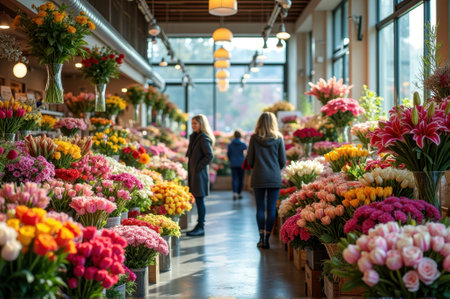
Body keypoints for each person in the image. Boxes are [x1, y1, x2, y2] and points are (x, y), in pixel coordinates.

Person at [247, 112, 286, 249]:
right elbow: (283, 161)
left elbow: (250, 160)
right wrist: (274, 169)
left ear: (259, 123)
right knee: (271, 209)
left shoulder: (254, 138)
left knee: (260, 208)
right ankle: (267, 238)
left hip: (258, 177)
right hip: (274, 178)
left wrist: (258, 167)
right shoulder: (279, 139)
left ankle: (261, 237)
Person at [186, 114, 215, 237]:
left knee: (200, 200)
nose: (193, 126)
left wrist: (198, 167)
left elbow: (209, 155)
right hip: (195, 173)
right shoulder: (196, 137)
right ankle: (199, 226)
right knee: (198, 200)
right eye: (192, 123)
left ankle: (200, 226)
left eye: (195, 124)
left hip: (199, 174)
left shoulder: (203, 138)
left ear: (201, 124)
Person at [227, 130, 247, 200]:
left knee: (234, 178)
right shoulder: (243, 144)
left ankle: (234, 193)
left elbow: (228, 154)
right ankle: (240, 193)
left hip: (233, 163)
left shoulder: (230, 144)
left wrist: (231, 160)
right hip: (241, 163)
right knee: (241, 179)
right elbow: (246, 152)